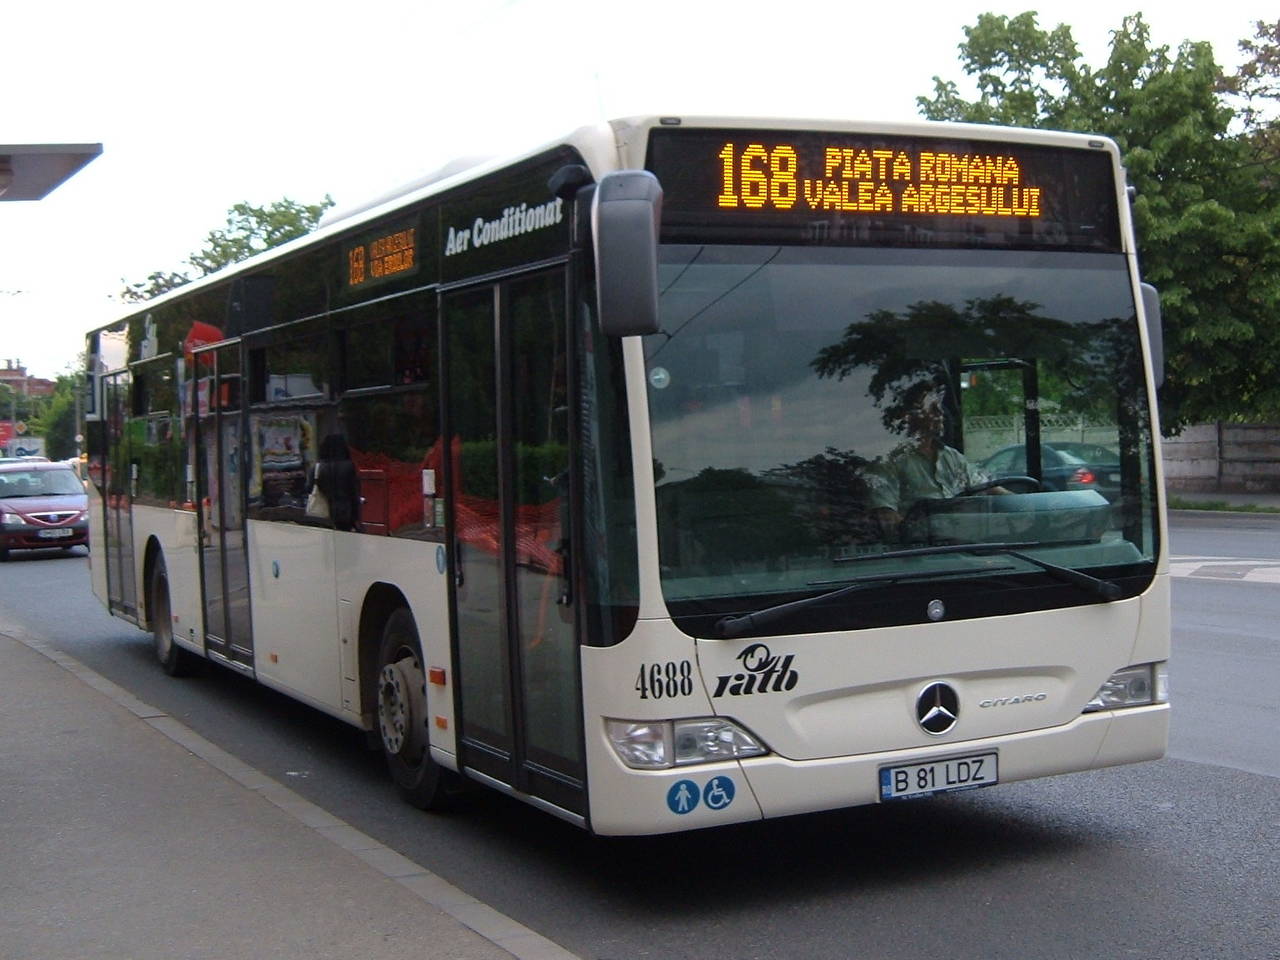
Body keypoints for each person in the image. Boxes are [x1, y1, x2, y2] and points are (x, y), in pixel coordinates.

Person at [866, 387, 1005, 538]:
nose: (940, 413)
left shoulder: (951, 456)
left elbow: (988, 488)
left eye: (939, 407)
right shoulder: (888, 462)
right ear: (908, 416)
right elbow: (887, 517)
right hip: (921, 548)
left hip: (965, 544)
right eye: (932, 408)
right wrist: (922, 535)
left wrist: (1021, 506)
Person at [310, 434, 361, 532]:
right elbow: (354, 492)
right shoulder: (349, 466)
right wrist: (356, 516)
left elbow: (309, 487)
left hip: (322, 511)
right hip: (345, 512)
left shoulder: (317, 468)